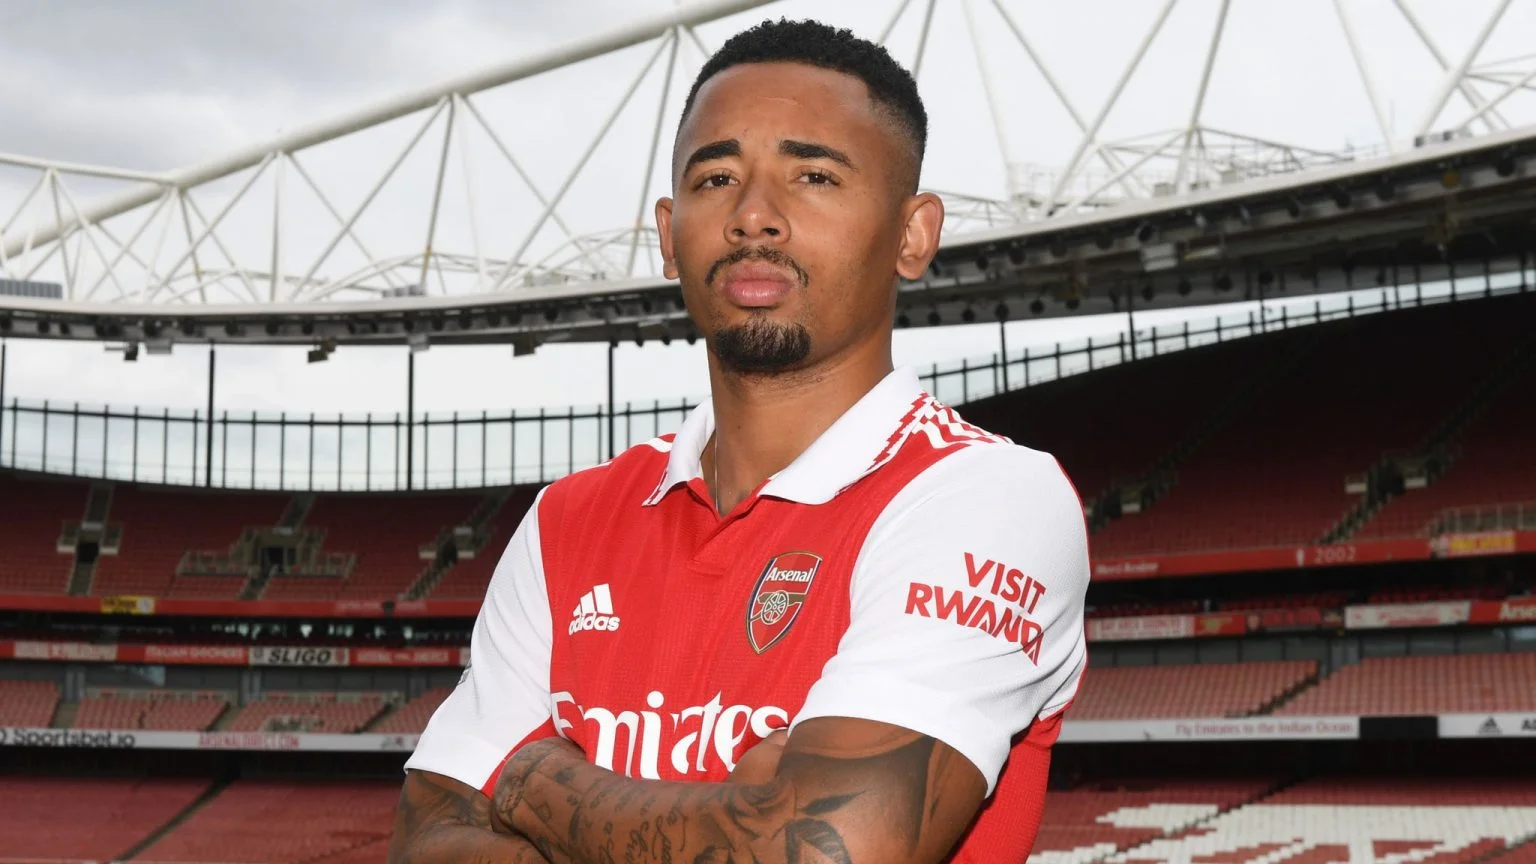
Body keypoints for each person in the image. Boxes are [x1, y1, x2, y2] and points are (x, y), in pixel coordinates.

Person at [388, 17, 1088, 864]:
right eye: (716, 178)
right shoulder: (565, 522)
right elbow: (426, 841)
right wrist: (740, 808)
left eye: (814, 176)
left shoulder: (986, 495)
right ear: (668, 232)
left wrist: (531, 779)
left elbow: (821, 851)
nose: (754, 216)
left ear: (913, 235)